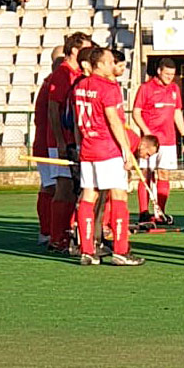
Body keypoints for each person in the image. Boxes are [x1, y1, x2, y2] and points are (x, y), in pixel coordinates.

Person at [74, 47, 144, 266]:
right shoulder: (108, 87)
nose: (114, 65)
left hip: (88, 148)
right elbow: (114, 121)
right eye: (111, 61)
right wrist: (126, 150)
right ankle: (121, 251)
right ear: (101, 64)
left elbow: (77, 120)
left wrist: (79, 144)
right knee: (119, 196)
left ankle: (87, 250)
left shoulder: (80, 86)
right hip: (108, 149)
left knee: (88, 196)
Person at [46, 32, 93, 253]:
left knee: (75, 188)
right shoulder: (63, 73)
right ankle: (56, 237)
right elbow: (53, 109)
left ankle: (70, 234)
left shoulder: (77, 74)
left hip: (73, 139)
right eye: (85, 49)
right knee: (64, 188)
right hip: (63, 140)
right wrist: (60, 141)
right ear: (74, 50)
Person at [132, 57, 184, 224]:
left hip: (168, 140)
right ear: (159, 71)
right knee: (146, 174)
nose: (170, 78)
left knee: (164, 174)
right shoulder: (146, 88)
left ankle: (160, 212)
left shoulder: (174, 89)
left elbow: (177, 112)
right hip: (150, 142)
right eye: (166, 74)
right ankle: (143, 212)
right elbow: (136, 113)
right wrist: (147, 133)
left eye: (172, 74)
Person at [32, 46, 65, 246]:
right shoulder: (54, 83)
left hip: (47, 143)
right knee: (53, 187)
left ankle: (49, 231)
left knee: (51, 187)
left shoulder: (50, 82)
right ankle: (49, 231)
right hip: (48, 144)